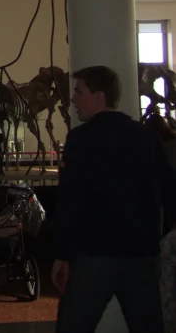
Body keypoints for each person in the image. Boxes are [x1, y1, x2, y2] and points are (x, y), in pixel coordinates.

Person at [53, 65, 176, 333]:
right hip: (142, 255)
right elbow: (169, 189)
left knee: (72, 326)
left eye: (79, 92)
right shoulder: (146, 136)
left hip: (97, 255)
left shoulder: (80, 140)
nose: (73, 99)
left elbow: (70, 200)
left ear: (99, 96)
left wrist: (62, 255)